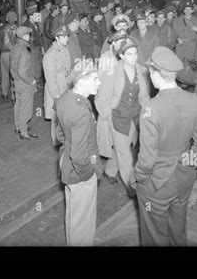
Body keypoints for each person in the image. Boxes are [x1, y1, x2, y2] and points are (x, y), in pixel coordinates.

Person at [131, 46, 197, 246]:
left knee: (154, 236)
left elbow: (147, 160)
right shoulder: (194, 100)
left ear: (156, 74)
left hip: (157, 183)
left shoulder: (152, 108)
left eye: (150, 71)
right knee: (178, 231)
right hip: (184, 179)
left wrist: (139, 179)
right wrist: (187, 163)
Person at [95, 36, 149, 195]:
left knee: (126, 147)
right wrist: (107, 116)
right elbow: (101, 97)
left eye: (135, 53)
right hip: (117, 119)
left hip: (134, 117)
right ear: (122, 56)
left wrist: (147, 106)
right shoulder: (113, 72)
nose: (134, 57)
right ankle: (133, 187)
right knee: (125, 155)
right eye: (130, 54)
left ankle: (110, 170)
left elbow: (144, 94)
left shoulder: (139, 69)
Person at [57, 60, 102, 246]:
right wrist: (88, 175)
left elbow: (60, 133)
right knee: (83, 223)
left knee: (74, 218)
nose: (99, 83)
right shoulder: (82, 110)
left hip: (66, 165)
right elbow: (78, 154)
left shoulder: (64, 98)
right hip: (80, 171)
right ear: (82, 80)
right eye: (95, 79)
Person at [42, 27, 71, 147]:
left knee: (64, 116)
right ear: (56, 38)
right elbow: (50, 78)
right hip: (55, 89)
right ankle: (56, 142)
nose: (66, 39)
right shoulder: (50, 55)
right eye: (63, 37)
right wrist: (56, 96)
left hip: (64, 86)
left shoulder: (65, 49)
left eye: (67, 36)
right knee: (55, 117)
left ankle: (64, 139)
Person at [10, 26, 38, 140]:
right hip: (24, 83)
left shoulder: (15, 47)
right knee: (26, 108)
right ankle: (24, 132)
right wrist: (31, 81)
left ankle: (18, 126)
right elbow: (22, 72)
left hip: (16, 82)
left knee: (18, 105)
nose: (29, 36)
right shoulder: (24, 52)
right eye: (28, 34)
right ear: (24, 36)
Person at [0, 10, 18, 102]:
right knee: (14, 76)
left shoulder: (0, 29)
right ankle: (14, 96)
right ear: (16, 19)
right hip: (14, 54)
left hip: (3, 54)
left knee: (4, 74)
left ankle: (4, 94)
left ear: (6, 19)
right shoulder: (17, 29)